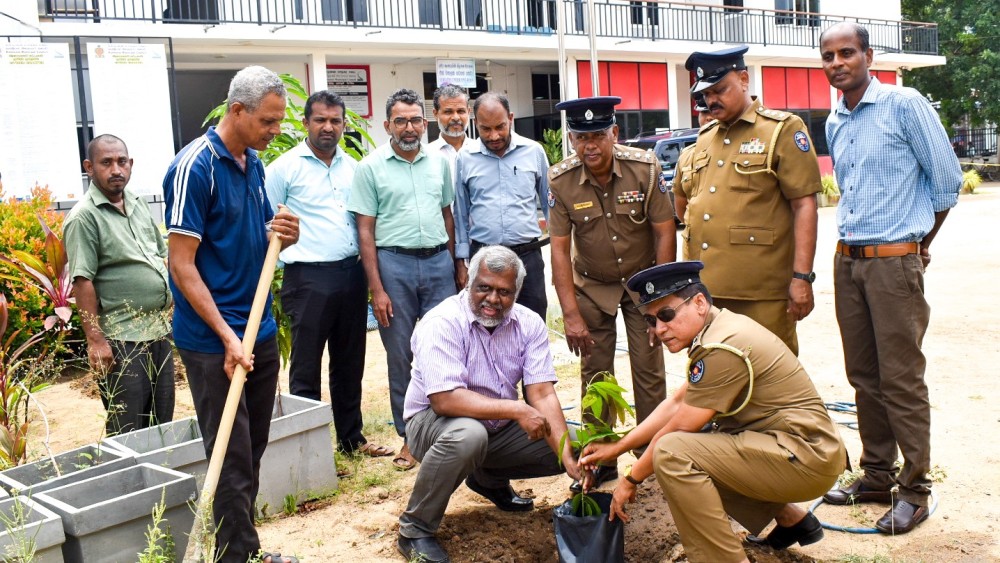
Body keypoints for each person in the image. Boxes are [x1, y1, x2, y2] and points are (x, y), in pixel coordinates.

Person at [579, 261, 846, 563]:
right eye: (651, 320)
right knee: (698, 446)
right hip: (798, 448)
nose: (660, 329)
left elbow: (679, 429)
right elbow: (676, 403)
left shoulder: (721, 347)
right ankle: (790, 518)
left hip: (807, 457)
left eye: (666, 315)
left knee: (673, 453)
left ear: (699, 303)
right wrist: (617, 446)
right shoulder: (719, 328)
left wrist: (630, 479)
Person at [819, 22, 962, 534]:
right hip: (848, 261)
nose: (838, 63)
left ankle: (916, 488)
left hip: (893, 262)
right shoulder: (835, 119)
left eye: (847, 53)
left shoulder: (905, 105)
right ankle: (876, 474)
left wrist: (918, 247)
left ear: (869, 55)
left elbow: (946, 184)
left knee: (901, 378)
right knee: (863, 376)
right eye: (829, 56)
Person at [163, 65, 300, 563]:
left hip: (256, 326)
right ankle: (236, 556)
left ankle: (240, 547)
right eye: (267, 121)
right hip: (212, 338)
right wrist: (225, 336)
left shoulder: (253, 163)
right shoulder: (194, 167)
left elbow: (259, 239)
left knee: (251, 447)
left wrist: (284, 233)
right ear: (236, 111)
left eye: (279, 120)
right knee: (231, 454)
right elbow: (182, 266)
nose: (275, 130)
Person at [396, 246, 581, 563]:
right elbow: (444, 399)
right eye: (484, 287)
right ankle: (415, 529)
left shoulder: (529, 324)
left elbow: (542, 394)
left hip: (496, 427)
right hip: (433, 425)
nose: (493, 299)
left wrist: (569, 464)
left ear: (516, 292)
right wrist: (518, 409)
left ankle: (487, 479)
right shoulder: (442, 322)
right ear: (468, 281)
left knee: (576, 443)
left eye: (504, 292)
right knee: (468, 436)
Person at [548, 95, 675, 489]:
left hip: (642, 286)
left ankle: (651, 454)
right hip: (592, 286)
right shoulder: (561, 180)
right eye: (581, 136)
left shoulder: (645, 168)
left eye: (598, 135)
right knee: (596, 373)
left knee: (649, 369)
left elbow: (664, 231)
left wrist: (661, 299)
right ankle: (600, 457)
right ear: (571, 139)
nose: (590, 145)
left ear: (614, 134)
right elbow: (558, 250)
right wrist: (570, 314)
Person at [264, 90, 393, 460]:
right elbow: (263, 223)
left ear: (343, 125)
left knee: (350, 361)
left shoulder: (354, 168)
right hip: (307, 280)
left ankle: (352, 439)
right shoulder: (283, 170)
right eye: (320, 119)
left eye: (336, 120)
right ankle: (310, 449)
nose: (328, 127)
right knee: (306, 365)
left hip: (350, 275)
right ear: (305, 123)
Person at [679, 45, 821, 355]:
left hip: (762, 292)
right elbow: (688, 205)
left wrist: (801, 278)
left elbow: (804, 206)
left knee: (769, 379)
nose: (712, 99)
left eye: (720, 89)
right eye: (705, 94)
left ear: (744, 79)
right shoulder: (705, 138)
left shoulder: (781, 130)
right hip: (707, 292)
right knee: (716, 381)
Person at [348, 88, 459, 471]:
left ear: (424, 123)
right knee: (401, 353)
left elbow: (448, 216)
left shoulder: (438, 164)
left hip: (437, 265)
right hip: (393, 267)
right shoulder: (370, 167)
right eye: (401, 120)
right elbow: (365, 232)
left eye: (415, 120)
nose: (409, 127)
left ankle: (447, 429)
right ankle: (410, 438)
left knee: (444, 347)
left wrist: (455, 263)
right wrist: (376, 289)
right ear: (387, 125)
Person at [65, 134, 174, 437]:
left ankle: (161, 483)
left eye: (122, 161)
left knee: (162, 420)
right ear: (89, 167)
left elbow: (161, 254)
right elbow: (82, 280)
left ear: (131, 164)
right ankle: (130, 484)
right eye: (106, 162)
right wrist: (95, 340)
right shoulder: (84, 217)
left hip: (157, 332)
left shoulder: (138, 203)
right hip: (121, 339)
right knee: (129, 429)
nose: (116, 169)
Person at [453, 91, 551, 320]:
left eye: (500, 126)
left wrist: (559, 257)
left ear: (511, 118)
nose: (494, 135)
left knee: (533, 322)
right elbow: (460, 213)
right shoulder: (464, 158)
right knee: (486, 324)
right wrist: (461, 262)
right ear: (476, 124)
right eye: (486, 129)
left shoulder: (534, 152)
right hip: (483, 258)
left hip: (527, 257)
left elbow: (551, 206)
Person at [672, 96, 714, 227]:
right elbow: (681, 209)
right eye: (704, 112)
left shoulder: (740, 149)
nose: (709, 117)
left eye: (713, 111)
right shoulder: (687, 155)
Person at [426, 84, 471, 180]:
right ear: (435, 114)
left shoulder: (480, 151)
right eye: (448, 112)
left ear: (469, 112)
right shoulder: (426, 155)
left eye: (461, 111)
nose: (455, 118)